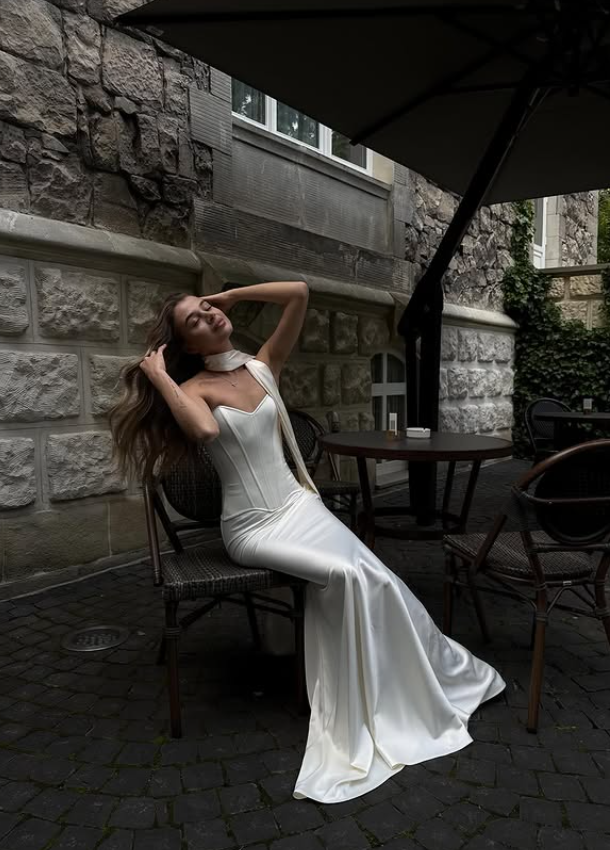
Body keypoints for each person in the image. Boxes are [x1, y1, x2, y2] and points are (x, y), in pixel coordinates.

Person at [109, 280, 505, 805]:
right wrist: (160, 377)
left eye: (206, 308)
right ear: (186, 345)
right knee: (344, 574)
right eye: (194, 320)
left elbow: (298, 293)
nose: (208, 316)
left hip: (300, 506)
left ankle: (419, 681)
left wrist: (232, 296)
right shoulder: (196, 389)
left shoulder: (263, 366)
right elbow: (204, 433)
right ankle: (362, 700)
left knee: (378, 574)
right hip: (252, 527)